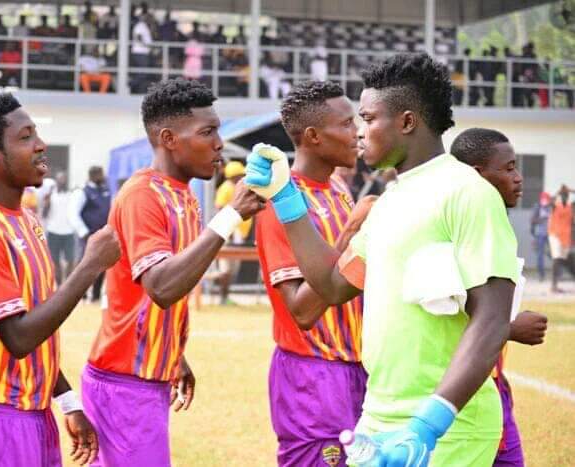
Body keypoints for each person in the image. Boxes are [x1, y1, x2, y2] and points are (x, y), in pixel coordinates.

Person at [245, 53, 520, 466]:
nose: (360, 132)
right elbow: (332, 285)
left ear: (407, 122)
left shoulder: (468, 193)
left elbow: (492, 320)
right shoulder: (390, 202)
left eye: (368, 119)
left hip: (447, 428)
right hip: (378, 418)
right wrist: (286, 198)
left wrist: (428, 425)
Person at [81, 78, 264, 466]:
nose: (219, 143)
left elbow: (169, 282)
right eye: (207, 132)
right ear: (168, 139)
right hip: (124, 383)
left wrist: (172, 355)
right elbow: (161, 286)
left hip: (146, 378)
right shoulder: (142, 195)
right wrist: (230, 216)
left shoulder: (182, 194)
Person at [0, 91, 122, 466]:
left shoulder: (26, 219)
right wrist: (89, 266)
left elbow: (38, 324)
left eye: (36, 134)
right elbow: (19, 338)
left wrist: (67, 401)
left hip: (33, 415)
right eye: (25, 138)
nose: (40, 145)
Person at [255, 81, 366, 466]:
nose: (357, 133)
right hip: (313, 375)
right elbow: (301, 311)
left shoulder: (337, 187)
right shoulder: (281, 202)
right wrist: (352, 235)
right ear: (314, 136)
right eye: (347, 124)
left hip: (357, 367)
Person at [451, 127, 549, 467]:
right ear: (477, 176)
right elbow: (441, 316)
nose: (518, 178)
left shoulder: (495, 227)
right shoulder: (455, 231)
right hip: (458, 394)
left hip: (491, 384)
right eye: (508, 169)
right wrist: (510, 328)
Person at [209, 160, 252, 305]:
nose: (242, 176)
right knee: (226, 269)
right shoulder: (226, 188)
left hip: (238, 234)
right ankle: (223, 297)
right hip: (229, 235)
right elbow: (220, 208)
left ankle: (226, 296)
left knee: (232, 269)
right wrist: (230, 230)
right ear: (234, 176)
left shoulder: (239, 187)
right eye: (240, 174)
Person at [69, 166, 111, 303]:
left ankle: (96, 295)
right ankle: (80, 295)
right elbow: (73, 214)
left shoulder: (105, 190)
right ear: (93, 175)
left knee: (102, 264)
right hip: (88, 235)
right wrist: (83, 232)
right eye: (100, 174)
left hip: (103, 235)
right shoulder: (83, 192)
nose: (103, 177)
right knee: (84, 264)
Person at [43, 172, 76, 284]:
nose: (62, 181)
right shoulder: (51, 195)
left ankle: (68, 285)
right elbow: (44, 214)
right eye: (59, 179)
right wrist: (47, 203)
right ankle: (59, 285)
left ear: (66, 181)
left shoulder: (72, 194)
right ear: (56, 181)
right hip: (53, 231)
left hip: (69, 232)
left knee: (70, 260)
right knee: (55, 261)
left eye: (64, 179)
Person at [548, 185, 573, 293]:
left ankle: (556, 284)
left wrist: (571, 190)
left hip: (565, 236)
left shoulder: (570, 207)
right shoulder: (555, 206)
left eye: (565, 195)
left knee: (562, 259)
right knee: (557, 258)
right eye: (563, 195)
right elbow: (550, 201)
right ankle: (553, 286)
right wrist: (559, 192)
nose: (564, 197)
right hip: (555, 235)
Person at [531, 192, 551, 282]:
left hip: (551, 234)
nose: (545, 201)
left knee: (555, 254)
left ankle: (558, 273)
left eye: (546, 199)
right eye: (544, 199)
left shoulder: (551, 207)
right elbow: (532, 220)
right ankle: (541, 275)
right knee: (540, 255)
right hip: (540, 234)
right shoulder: (537, 207)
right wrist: (542, 219)